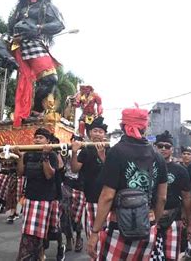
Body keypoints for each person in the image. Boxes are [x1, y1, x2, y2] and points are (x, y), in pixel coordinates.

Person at [87, 106, 168, 261]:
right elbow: (162, 197)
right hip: (147, 227)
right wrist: (153, 223)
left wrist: (95, 231)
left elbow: (107, 196)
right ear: (145, 127)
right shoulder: (158, 157)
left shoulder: (116, 152)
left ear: (123, 127)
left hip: (120, 227)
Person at [14, 128, 59, 260]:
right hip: (30, 197)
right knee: (27, 231)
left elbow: (49, 175)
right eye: (36, 137)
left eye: (41, 137)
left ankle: (37, 256)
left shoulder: (52, 155)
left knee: (38, 233)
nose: (37, 140)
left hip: (44, 199)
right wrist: (21, 157)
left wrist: (45, 156)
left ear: (48, 141)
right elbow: (20, 173)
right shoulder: (29, 154)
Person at [151, 131, 191, 261]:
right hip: (150, 219)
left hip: (173, 220)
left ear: (172, 149)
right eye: (160, 146)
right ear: (155, 147)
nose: (163, 149)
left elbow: (187, 197)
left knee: (171, 257)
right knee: (149, 256)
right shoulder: (147, 166)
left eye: (167, 146)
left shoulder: (180, 170)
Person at [70, 116, 108, 260]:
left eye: (100, 131)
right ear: (89, 133)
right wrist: (74, 152)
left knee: (108, 238)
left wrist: (103, 156)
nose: (97, 134)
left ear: (104, 134)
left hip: (109, 202)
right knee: (92, 238)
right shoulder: (85, 150)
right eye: (95, 131)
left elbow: (113, 172)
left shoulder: (111, 150)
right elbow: (74, 169)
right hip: (91, 201)